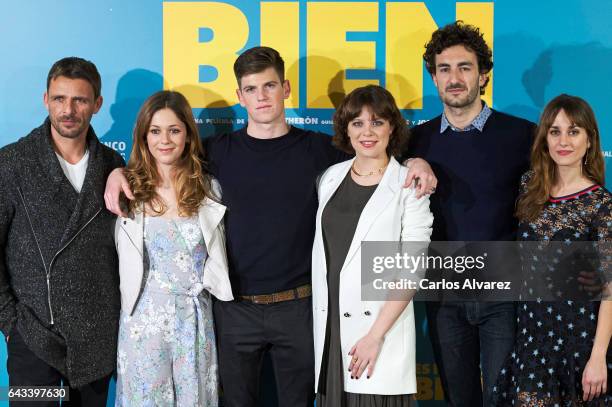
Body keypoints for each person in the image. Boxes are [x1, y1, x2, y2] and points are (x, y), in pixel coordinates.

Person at [104, 46, 437, 407]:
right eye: (251, 89)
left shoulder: (323, 152)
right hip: (234, 309)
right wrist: (116, 173)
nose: (261, 97)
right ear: (240, 96)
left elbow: (374, 157)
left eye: (269, 86)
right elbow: (160, 159)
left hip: (300, 307)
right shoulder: (215, 153)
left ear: (286, 88)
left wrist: (417, 161)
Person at [406, 22, 536, 406]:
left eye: (465, 67)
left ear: (484, 75)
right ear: (433, 77)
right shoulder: (417, 140)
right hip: (444, 295)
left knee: (502, 397)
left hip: (504, 293)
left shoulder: (522, 135)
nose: (455, 78)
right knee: (457, 397)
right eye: (444, 69)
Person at [0, 57, 124, 406]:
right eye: (59, 99)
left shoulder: (113, 166)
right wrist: (11, 322)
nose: (68, 110)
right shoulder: (12, 163)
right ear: (45, 100)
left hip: (95, 338)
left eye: (80, 100)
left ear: (97, 104)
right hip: (32, 339)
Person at [312, 85, 433, 407]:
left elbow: (411, 270)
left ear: (392, 127)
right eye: (358, 123)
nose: (367, 132)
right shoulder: (330, 178)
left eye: (377, 122)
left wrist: (375, 336)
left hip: (379, 330)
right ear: (346, 130)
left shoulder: (409, 184)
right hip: (331, 329)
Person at [113, 90, 233, 406]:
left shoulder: (209, 188)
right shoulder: (129, 189)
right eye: (155, 131)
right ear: (143, 136)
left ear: (188, 136)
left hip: (194, 320)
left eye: (174, 130)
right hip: (143, 320)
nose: (164, 140)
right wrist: (116, 174)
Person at [494, 94, 611, 406]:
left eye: (574, 131)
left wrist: (598, 356)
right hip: (531, 338)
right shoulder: (528, 188)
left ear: (590, 140)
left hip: (580, 341)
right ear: (544, 138)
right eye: (555, 131)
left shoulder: (602, 205)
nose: (564, 141)